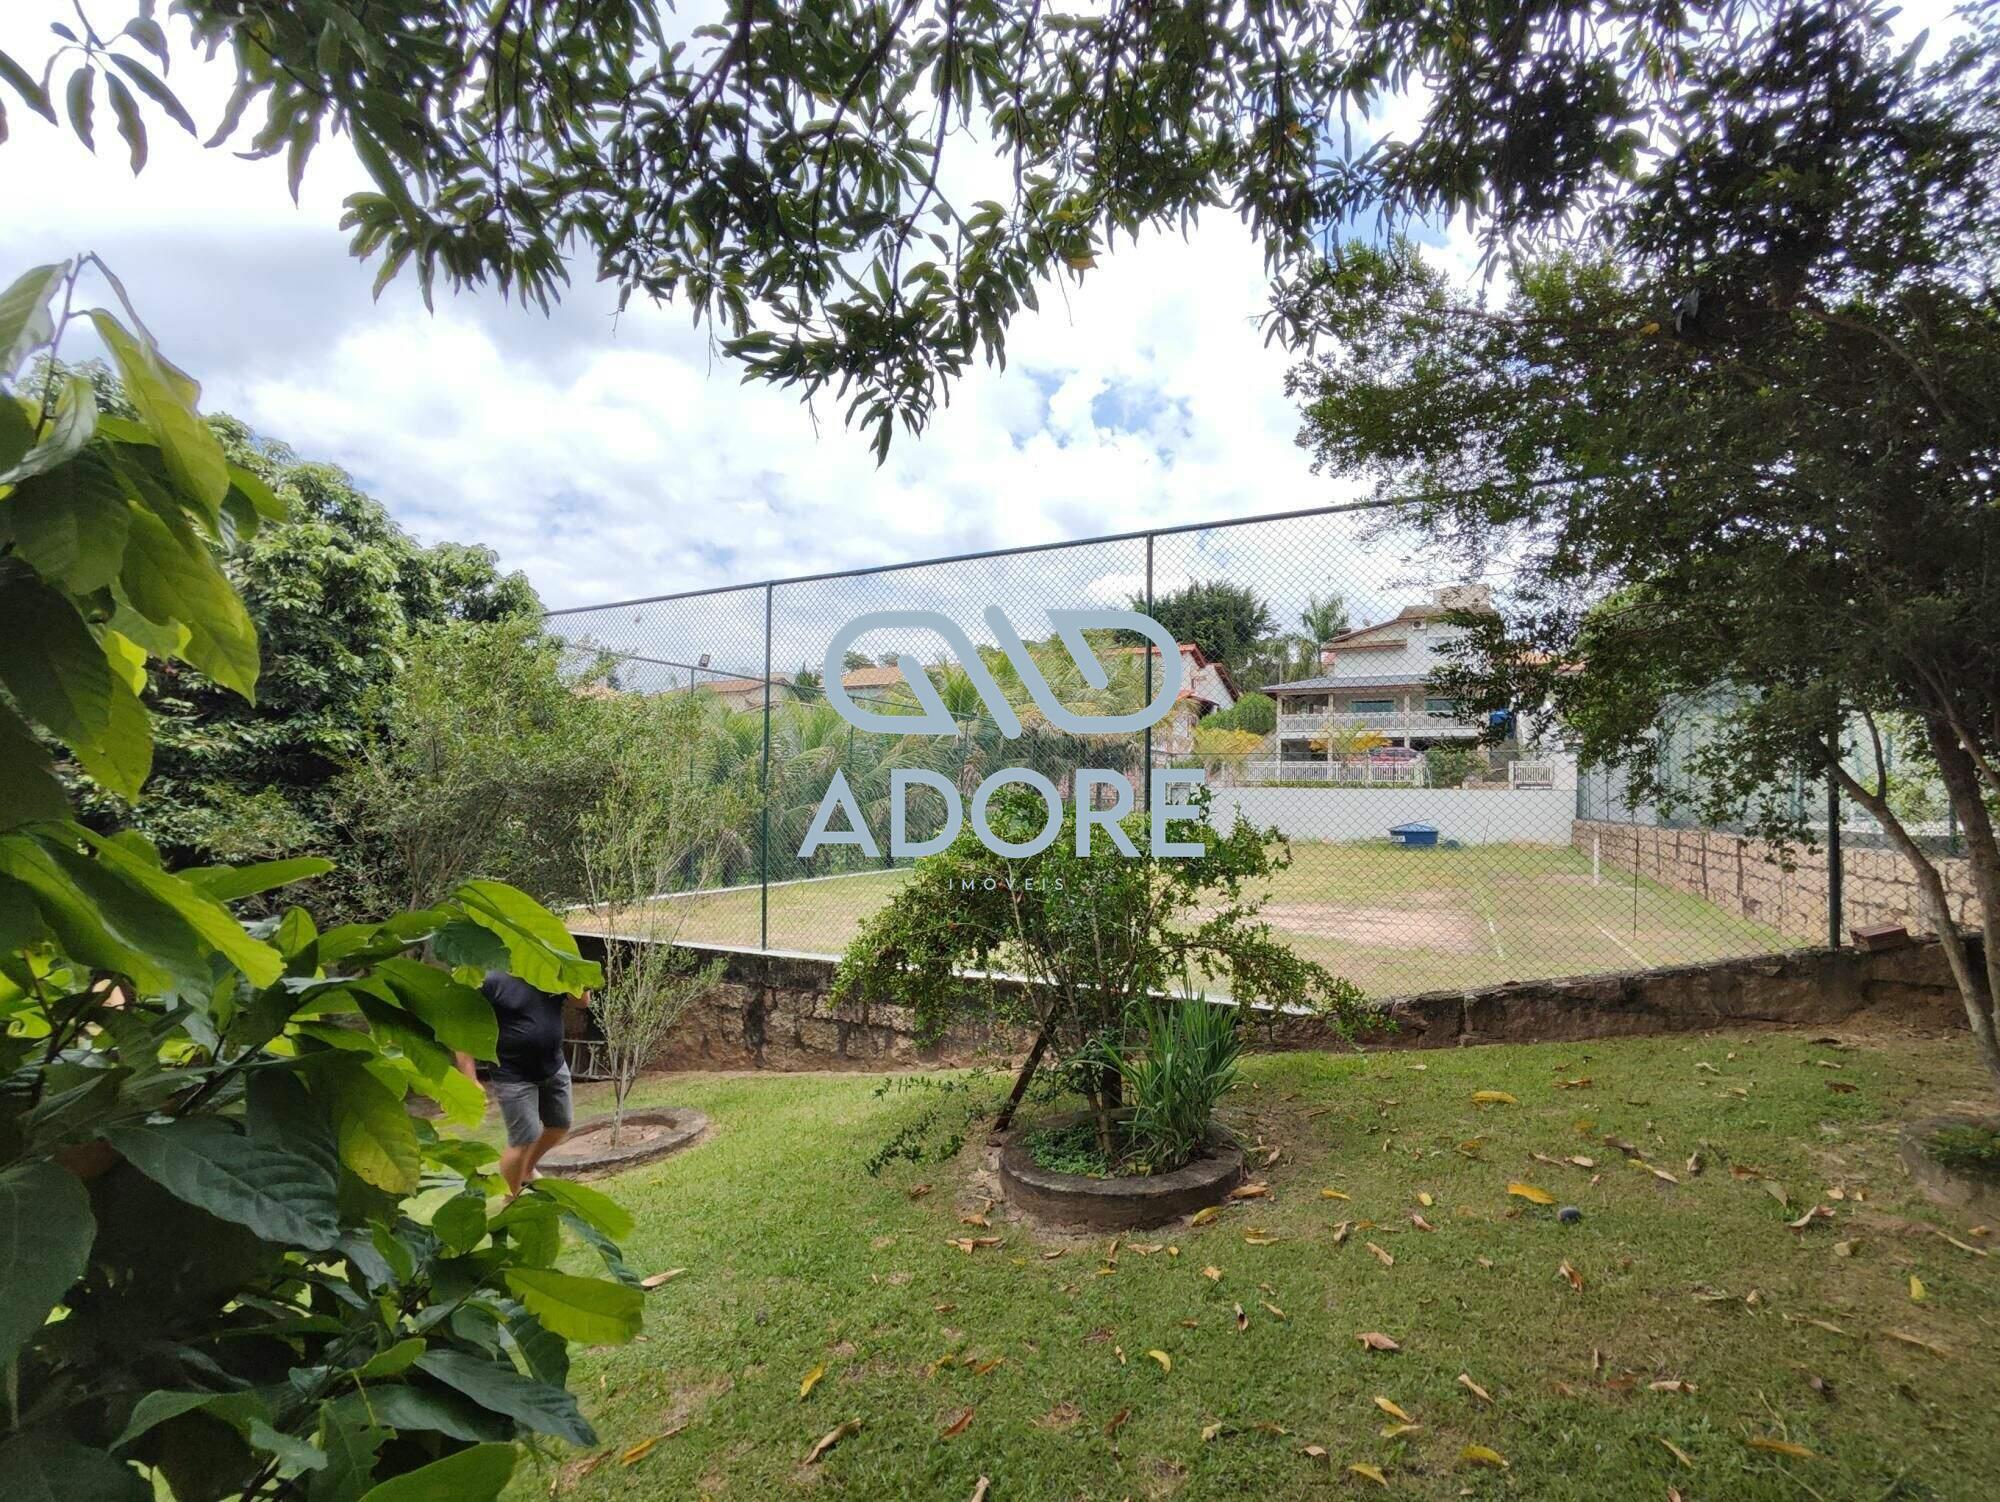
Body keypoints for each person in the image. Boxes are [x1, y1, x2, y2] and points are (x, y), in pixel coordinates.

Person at [456, 971, 590, 1198]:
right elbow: (464, 1029)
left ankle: (526, 1170)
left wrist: (575, 972)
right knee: (523, 1137)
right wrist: (469, 1078)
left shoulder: (550, 970)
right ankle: (511, 1197)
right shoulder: (492, 979)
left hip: (554, 1065)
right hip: (513, 1074)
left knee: (560, 1123)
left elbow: (582, 1002)